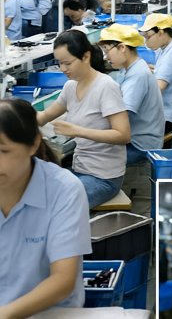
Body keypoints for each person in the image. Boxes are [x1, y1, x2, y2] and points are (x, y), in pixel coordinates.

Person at [0, 99, 92, 316]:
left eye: (3, 151)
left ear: (33, 144)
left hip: (48, 312)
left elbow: (62, 279)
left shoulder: (64, 190)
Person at [37, 30, 131, 208]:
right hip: (80, 169)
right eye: (59, 63)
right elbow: (44, 116)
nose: (63, 69)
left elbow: (123, 135)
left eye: (67, 63)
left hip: (104, 178)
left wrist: (77, 131)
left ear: (86, 56)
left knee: (55, 205)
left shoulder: (106, 87)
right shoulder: (70, 87)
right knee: (38, 192)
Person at [98, 24, 165, 165]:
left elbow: (124, 115)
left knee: (92, 160)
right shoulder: (129, 68)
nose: (105, 57)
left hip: (140, 145)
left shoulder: (137, 75)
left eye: (107, 50)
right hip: (139, 137)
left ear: (122, 48)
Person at [139, 14, 172, 134]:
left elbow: (158, 88)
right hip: (171, 109)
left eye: (148, 37)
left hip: (171, 115)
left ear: (161, 32)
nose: (145, 41)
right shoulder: (166, 47)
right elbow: (165, 71)